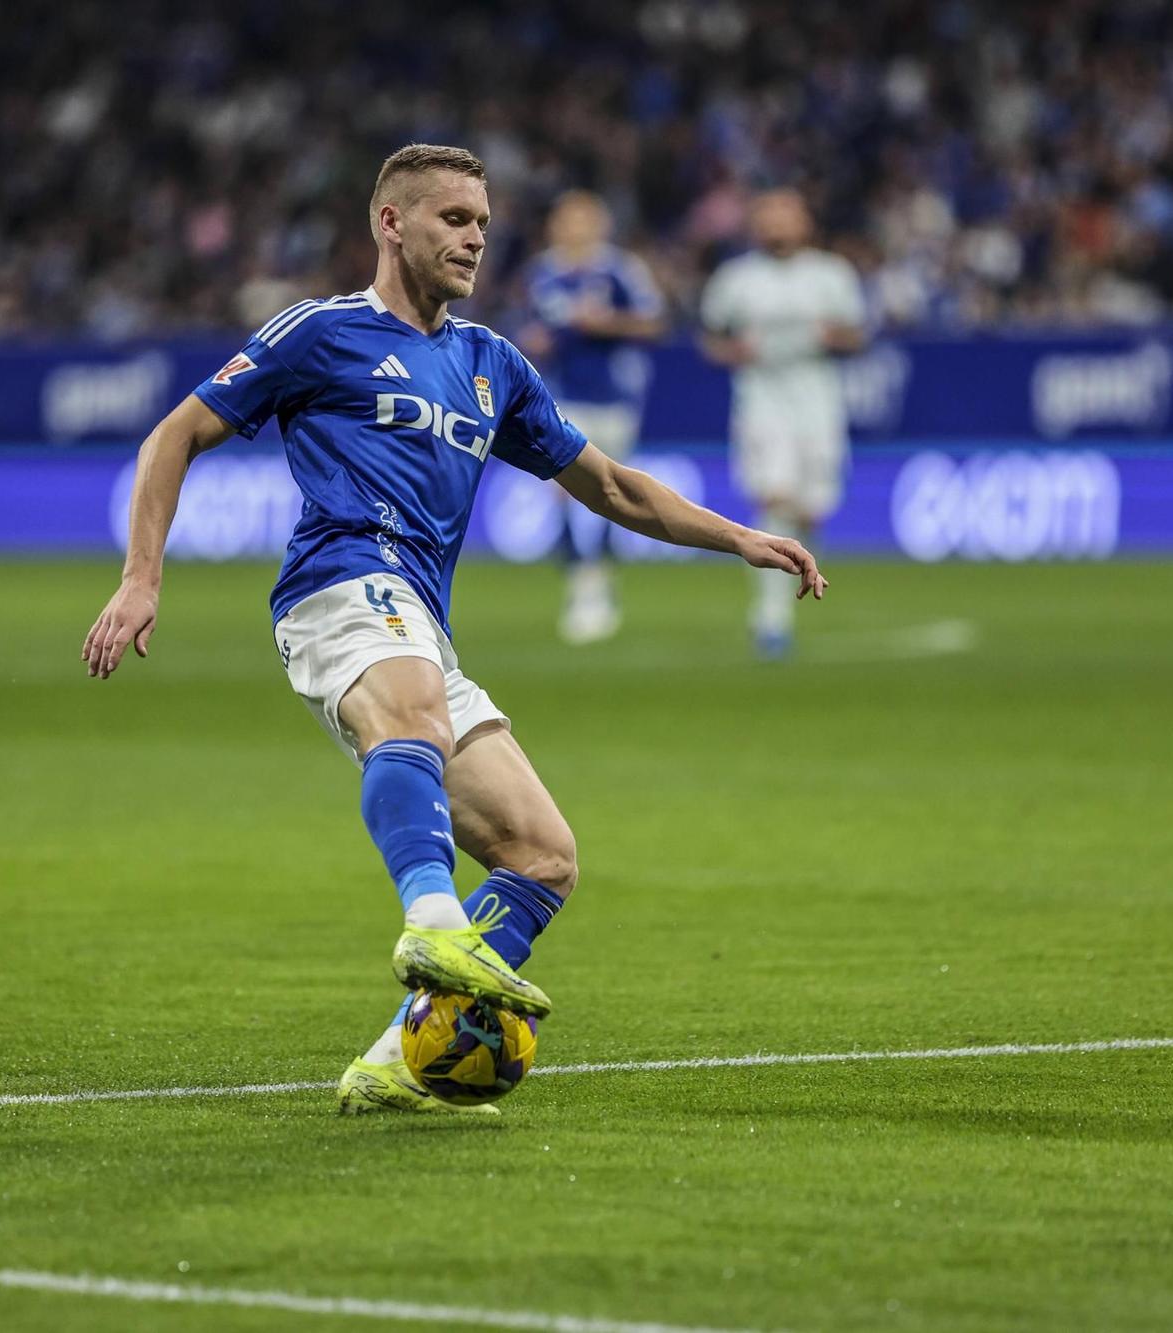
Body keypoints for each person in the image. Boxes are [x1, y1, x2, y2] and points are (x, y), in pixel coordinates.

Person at [82, 145, 828, 1116]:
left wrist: (738, 538)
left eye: (481, 220)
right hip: (338, 585)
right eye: (451, 219)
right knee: (414, 715)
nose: (475, 236)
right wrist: (142, 577)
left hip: (419, 623)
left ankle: (399, 1056)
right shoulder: (321, 333)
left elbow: (607, 485)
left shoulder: (488, 363)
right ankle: (430, 918)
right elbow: (173, 433)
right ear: (391, 223)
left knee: (542, 853)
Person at [699, 189, 867, 658]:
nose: (777, 224)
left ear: (805, 222)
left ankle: (802, 573)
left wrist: (834, 337)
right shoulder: (737, 279)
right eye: (769, 216)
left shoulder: (831, 275)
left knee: (812, 509)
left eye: (787, 215)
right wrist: (734, 352)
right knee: (775, 501)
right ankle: (770, 618)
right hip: (762, 403)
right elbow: (710, 340)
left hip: (818, 403)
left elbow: (858, 335)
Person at [519, 191, 668, 644]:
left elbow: (653, 322)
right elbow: (531, 326)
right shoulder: (543, 273)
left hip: (615, 397)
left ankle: (598, 576)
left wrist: (606, 323)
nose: (573, 228)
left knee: (607, 490)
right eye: (566, 219)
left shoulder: (620, 270)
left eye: (582, 219)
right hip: (560, 395)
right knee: (564, 488)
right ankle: (579, 577)